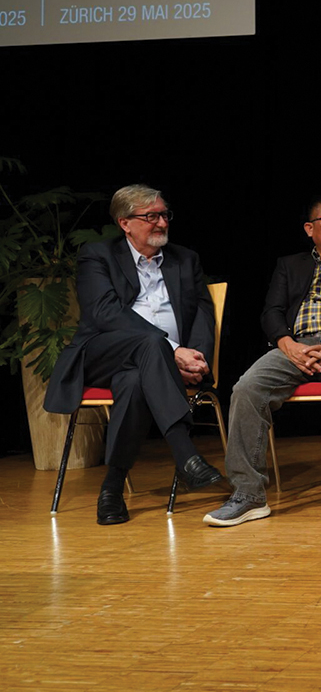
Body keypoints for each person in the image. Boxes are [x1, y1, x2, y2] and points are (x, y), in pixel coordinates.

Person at [204, 194, 321, 526]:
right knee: (246, 389)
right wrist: (286, 343)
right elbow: (271, 312)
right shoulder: (289, 265)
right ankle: (248, 495)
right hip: (295, 346)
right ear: (309, 228)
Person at [45, 184, 222, 525]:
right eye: (150, 217)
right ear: (124, 223)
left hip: (152, 366)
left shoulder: (185, 259)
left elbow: (202, 309)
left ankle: (111, 489)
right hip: (101, 355)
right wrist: (174, 352)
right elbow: (105, 314)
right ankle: (185, 454)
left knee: (134, 382)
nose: (161, 223)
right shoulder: (97, 255)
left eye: (164, 215)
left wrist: (196, 356)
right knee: (151, 343)